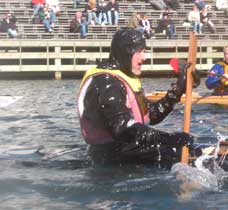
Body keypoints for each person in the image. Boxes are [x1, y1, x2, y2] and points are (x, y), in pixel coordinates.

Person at [77, 29, 199, 165]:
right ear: (126, 52)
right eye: (140, 52)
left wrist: (178, 90)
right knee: (183, 154)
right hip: (110, 158)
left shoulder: (124, 77)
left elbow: (151, 115)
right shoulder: (106, 81)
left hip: (127, 151)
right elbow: (122, 127)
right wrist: (166, 138)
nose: (145, 57)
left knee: (193, 151)